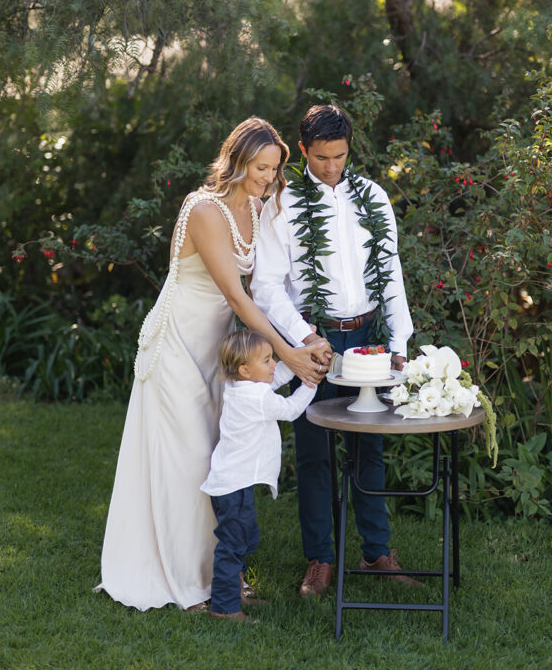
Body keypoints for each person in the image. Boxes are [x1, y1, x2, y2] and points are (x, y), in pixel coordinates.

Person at [96, 117, 329, 611]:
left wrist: (304, 336)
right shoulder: (204, 209)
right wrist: (286, 353)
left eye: (274, 169)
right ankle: (183, 579)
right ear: (238, 159)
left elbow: (265, 287)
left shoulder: (259, 208)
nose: (268, 177)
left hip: (220, 349)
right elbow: (235, 295)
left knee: (216, 460)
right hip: (180, 341)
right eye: (261, 167)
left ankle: (214, 577)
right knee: (186, 459)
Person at [251, 104, 416, 598]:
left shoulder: (373, 197)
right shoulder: (281, 204)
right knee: (314, 452)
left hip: (369, 337)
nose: (331, 167)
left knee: (370, 447)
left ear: (349, 148)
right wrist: (303, 338)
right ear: (301, 151)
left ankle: (376, 552)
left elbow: (391, 273)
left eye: (339, 157)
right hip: (313, 339)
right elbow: (266, 285)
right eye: (321, 158)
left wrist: (400, 343)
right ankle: (320, 559)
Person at [200, 330, 317, 622]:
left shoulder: (241, 387)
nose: (274, 363)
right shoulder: (256, 398)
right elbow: (290, 410)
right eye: (267, 360)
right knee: (232, 545)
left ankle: (235, 592)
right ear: (245, 369)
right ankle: (224, 608)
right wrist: (311, 383)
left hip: (232, 483)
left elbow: (274, 379)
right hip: (234, 486)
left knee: (242, 538)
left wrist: (299, 362)